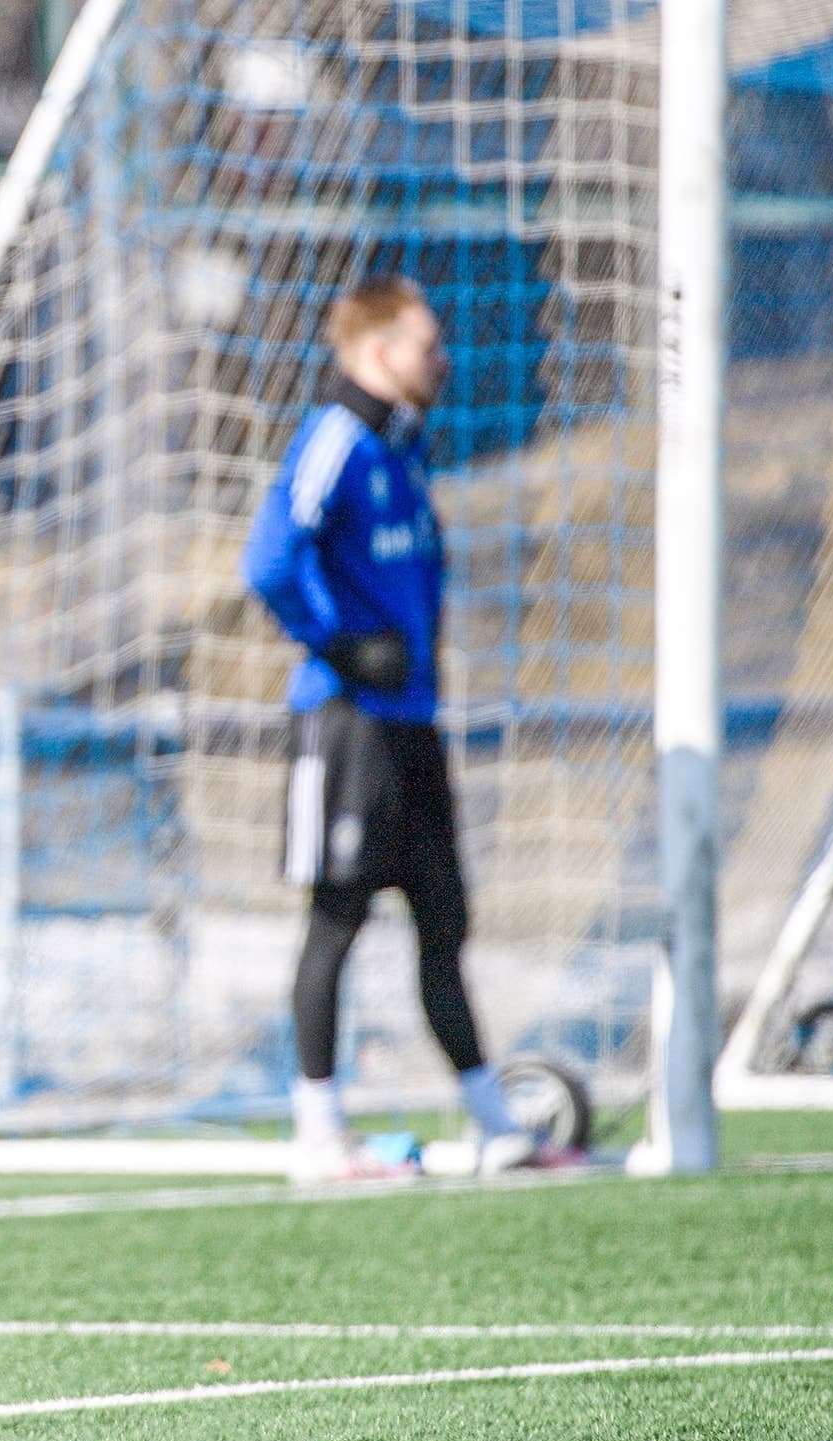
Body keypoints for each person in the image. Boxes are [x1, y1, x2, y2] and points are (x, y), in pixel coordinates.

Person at [242, 275, 560, 1185]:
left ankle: (495, 1124)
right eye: (427, 344)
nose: (443, 359)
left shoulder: (400, 447)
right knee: (336, 920)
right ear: (378, 353)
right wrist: (338, 643)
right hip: (346, 725)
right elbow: (268, 558)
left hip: (413, 725)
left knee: (444, 920)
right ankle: (317, 1134)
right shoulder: (337, 438)